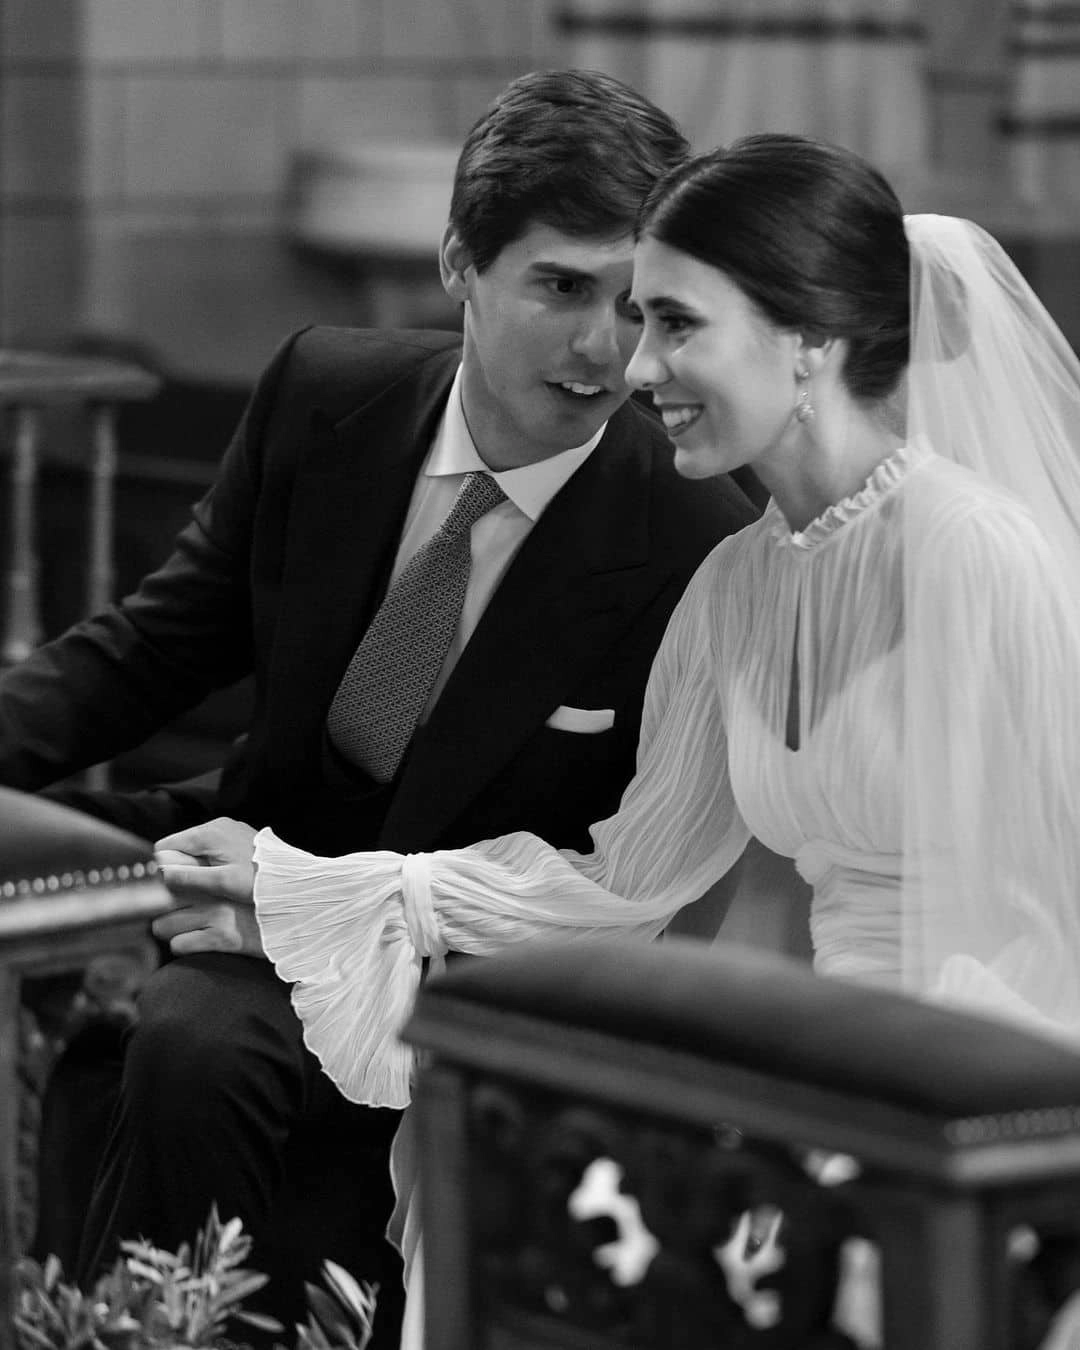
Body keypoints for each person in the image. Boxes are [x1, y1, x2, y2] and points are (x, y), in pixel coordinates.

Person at [159, 132, 1080, 1339]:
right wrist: (304, 892)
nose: (637, 367)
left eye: (676, 324)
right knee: (529, 1186)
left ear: (810, 340)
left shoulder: (975, 556)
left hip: (979, 1086)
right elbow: (624, 884)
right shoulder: (737, 584)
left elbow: (1040, 927)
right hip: (824, 1069)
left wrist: (858, 1134)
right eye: (642, 321)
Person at [0, 72, 758, 1343]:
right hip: (238, 834)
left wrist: (300, 901)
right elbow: (152, 648)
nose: (602, 350)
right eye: (561, 288)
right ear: (459, 261)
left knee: (195, 1043)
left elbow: (624, 882)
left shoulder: (695, 540)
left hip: (456, 950)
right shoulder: (324, 390)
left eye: (635, 305)